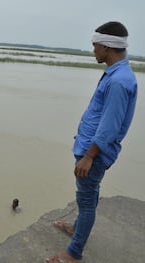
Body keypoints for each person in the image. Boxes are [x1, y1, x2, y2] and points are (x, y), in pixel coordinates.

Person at [44, 21, 137, 263]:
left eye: (95, 46)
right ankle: (77, 229)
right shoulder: (118, 74)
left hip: (93, 152)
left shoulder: (118, 81)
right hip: (90, 149)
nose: (93, 50)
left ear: (107, 47)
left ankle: (73, 253)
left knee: (86, 202)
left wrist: (89, 156)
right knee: (89, 194)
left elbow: (110, 126)